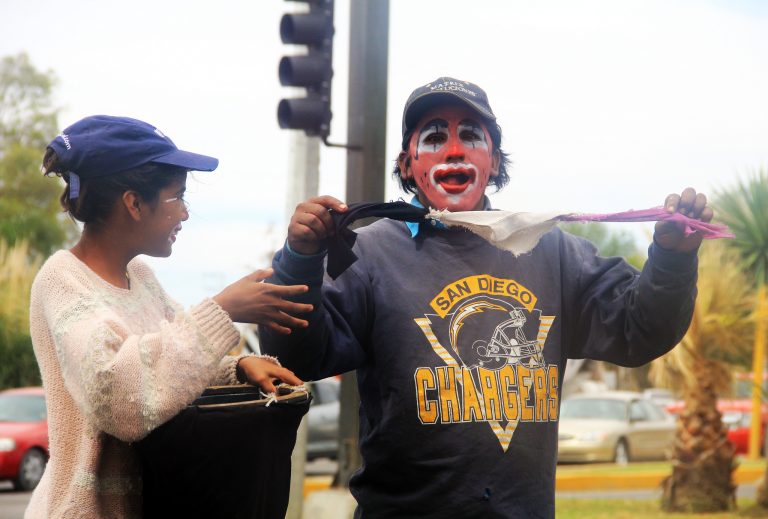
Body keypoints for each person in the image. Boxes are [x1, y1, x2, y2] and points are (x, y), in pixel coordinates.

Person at [260, 77, 712, 518]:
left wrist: (672, 259)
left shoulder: (548, 249)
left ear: (494, 162)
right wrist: (300, 257)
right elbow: (296, 356)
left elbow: (639, 331)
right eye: (435, 137)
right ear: (406, 163)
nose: (454, 149)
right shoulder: (368, 255)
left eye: (471, 136)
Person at [25, 115, 311, 519]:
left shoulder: (140, 277)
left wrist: (237, 368)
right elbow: (119, 396)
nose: (185, 214)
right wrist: (223, 310)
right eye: (177, 197)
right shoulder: (62, 282)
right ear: (134, 203)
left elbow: (167, 364)